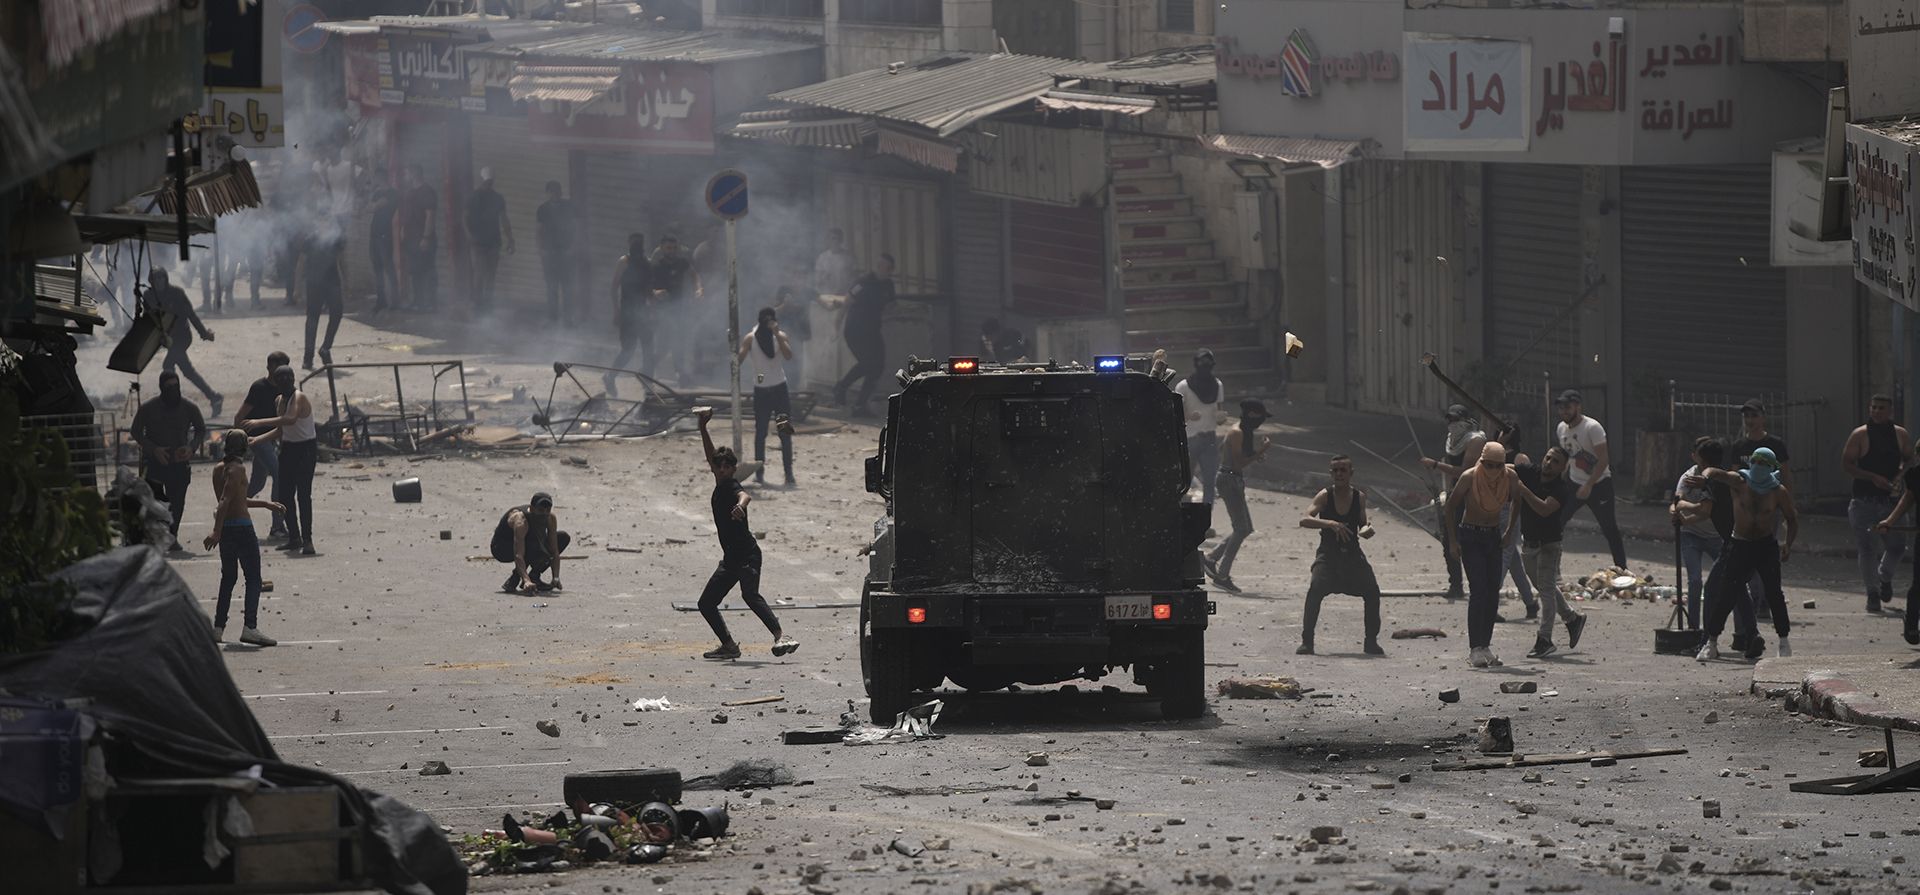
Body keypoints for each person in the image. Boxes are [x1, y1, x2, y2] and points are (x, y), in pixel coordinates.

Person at [694, 407, 799, 660]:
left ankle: (781, 636)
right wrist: (703, 427)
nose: (721, 469)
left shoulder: (732, 486)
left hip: (748, 555)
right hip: (731, 559)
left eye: (726, 466)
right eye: (718, 466)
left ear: (733, 469)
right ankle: (729, 645)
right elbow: (710, 454)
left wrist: (741, 507)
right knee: (706, 603)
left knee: (750, 594)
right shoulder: (719, 481)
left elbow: (745, 495)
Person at [1691, 447, 1798, 660]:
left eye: (1763, 463)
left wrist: (1788, 544)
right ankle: (1711, 642)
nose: (1758, 466)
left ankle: (1784, 642)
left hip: (1765, 546)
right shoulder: (1739, 482)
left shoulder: (1778, 492)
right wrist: (1705, 477)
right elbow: (1715, 472)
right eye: (1755, 461)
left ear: (1772, 468)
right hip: (1739, 544)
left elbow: (1792, 518)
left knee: (1774, 594)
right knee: (1726, 593)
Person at [1443, 442, 1540, 668]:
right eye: (1489, 465)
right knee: (1478, 591)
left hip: (1493, 535)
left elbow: (1517, 501)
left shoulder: (1509, 477)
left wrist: (1509, 532)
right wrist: (1453, 542)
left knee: (1492, 592)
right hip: (1471, 535)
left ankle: (1485, 645)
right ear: (1482, 461)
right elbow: (1450, 507)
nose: (1493, 470)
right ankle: (1474, 648)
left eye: (1498, 466)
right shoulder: (1469, 477)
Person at [1297, 455, 1384, 656]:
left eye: (1343, 470)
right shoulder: (1325, 496)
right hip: (1328, 555)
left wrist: (1367, 529)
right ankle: (1307, 641)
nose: (1339, 474)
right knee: (1315, 589)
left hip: (1352, 555)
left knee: (1372, 591)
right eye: (1335, 470)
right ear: (1330, 473)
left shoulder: (1359, 497)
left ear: (1351, 473)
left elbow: (1362, 523)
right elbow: (1305, 519)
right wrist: (1330, 523)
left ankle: (1371, 642)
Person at [204, 430, 283, 646]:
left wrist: (266, 504)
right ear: (244, 448)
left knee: (228, 578)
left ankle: (218, 628)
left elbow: (236, 499)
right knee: (253, 578)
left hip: (228, 530)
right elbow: (225, 500)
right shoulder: (237, 469)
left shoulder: (218, 469)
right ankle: (250, 626)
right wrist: (215, 531)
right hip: (242, 529)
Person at [1515, 446, 1588, 657]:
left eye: (1556, 462)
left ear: (1563, 468)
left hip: (1549, 545)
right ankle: (1572, 619)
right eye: (1548, 458)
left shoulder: (1561, 489)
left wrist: (1523, 489)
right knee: (1542, 585)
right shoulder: (1531, 472)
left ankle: (1544, 639)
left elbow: (1544, 509)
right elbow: (1508, 469)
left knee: (1546, 591)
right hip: (1529, 543)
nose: (1549, 463)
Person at [1842, 394, 1910, 614]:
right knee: (1867, 548)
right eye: (1873, 407)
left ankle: (1884, 577)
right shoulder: (1860, 434)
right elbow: (1847, 464)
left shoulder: (1899, 434)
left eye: (1881, 408)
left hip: (1891, 502)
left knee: (1897, 546)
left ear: (1890, 411)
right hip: (1864, 501)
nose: (1876, 412)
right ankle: (1872, 593)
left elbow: (1910, 459)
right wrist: (1871, 477)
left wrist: (1900, 476)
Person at [1730, 400, 1794, 623]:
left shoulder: (1774, 445)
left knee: (1766, 554)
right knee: (1748, 554)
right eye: (1746, 416)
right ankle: (1757, 598)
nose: (1750, 421)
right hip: (1746, 512)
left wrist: (1787, 505)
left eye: (1754, 416)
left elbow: (1785, 475)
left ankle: (1766, 599)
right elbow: (1734, 480)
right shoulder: (1739, 446)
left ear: (1763, 418)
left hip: (1769, 509)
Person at [243, 365, 317, 556]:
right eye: (281, 379)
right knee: (285, 496)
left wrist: (259, 422)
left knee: (303, 496)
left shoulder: (299, 397)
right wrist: (257, 439)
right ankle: (294, 537)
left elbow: (290, 419)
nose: (285, 381)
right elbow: (282, 430)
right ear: (275, 382)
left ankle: (307, 540)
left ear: (293, 379)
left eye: (288, 378)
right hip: (289, 449)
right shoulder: (279, 400)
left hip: (305, 449)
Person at [131, 371, 207, 551]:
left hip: (179, 462)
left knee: (177, 503)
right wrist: (153, 449)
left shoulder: (189, 407)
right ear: (162, 388)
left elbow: (200, 429)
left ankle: (172, 536)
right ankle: (154, 537)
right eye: (169, 387)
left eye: (176, 386)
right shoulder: (148, 408)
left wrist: (191, 448)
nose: (173, 390)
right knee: (154, 502)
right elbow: (136, 431)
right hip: (155, 462)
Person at [1555, 389, 1629, 570]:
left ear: (1578, 407)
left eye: (1568, 407)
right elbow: (1566, 456)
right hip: (1574, 483)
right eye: (1561, 408)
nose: (1564, 411)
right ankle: (1552, 566)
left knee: (1609, 528)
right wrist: (1560, 479)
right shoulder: (1561, 428)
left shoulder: (1592, 427)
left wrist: (1589, 484)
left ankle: (1622, 569)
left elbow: (1603, 459)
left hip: (1599, 484)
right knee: (1557, 522)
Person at [1202, 399, 1271, 593]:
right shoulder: (1237, 432)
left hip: (1233, 479)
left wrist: (1257, 455)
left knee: (1245, 528)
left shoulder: (1243, 432)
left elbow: (1235, 456)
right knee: (1241, 529)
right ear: (1252, 415)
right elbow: (1239, 463)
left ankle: (1211, 559)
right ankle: (1222, 575)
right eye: (1260, 417)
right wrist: (1262, 451)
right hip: (1229, 480)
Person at [1421, 404, 1487, 601]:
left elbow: (1465, 471)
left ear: (1465, 420)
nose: (1452, 424)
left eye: (1455, 420)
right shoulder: (1451, 440)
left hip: (1471, 495)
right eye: (1449, 420)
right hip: (1454, 494)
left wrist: (1436, 465)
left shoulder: (1475, 440)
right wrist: (1446, 493)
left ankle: (1480, 586)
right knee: (1449, 539)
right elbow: (1451, 471)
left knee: (1470, 542)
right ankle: (1455, 584)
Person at [145, 269, 223, 417]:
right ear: (151, 281)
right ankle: (213, 397)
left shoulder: (176, 293)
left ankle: (173, 399)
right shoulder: (148, 296)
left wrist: (203, 333)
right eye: (155, 279)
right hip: (167, 338)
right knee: (186, 371)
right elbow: (149, 319)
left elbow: (191, 314)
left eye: (161, 278)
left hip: (182, 336)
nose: (159, 282)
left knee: (168, 366)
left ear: (166, 279)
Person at [832, 254, 897, 418]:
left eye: (887, 268)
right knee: (868, 363)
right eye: (880, 265)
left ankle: (860, 404)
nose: (882, 269)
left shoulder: (888, 285)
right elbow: (847, 302)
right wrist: (837, 324)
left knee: (878, 367)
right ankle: (841, 387)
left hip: (873, 330)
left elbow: (891, 304)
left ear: (890, 270)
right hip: (856, 330)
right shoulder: (863, 282)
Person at [235, 350, 291, 539]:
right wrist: (237, 446)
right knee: (279, 474)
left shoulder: (286, 390)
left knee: (257, 484)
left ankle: (230, 506)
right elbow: (239, 417)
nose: (282, 374)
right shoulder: (259, 387)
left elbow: (284, 420)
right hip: (256, 439)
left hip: (271, 439)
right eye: (278, 368)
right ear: (269, 367)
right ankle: (277, 527)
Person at [1870, 442, 1920, 645]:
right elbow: (1908, 498)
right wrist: (1889, 521)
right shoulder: (1916, 475)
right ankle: (1912, 624)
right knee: (1918, 584)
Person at [740, 307, 796, 487]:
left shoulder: (780, 336)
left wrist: (777, 334)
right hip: (762, 389)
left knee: (784, 432)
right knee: (761, 433)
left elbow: (788, 355)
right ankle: (759, 473)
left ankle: (789, 474)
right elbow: (738, 360)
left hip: (779, 389)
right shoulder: (750, 338)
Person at [1673, 436, 1724, 630]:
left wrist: (1685, 511)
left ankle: (1743, 632)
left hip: (1717, 536)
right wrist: (1675, 510)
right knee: (1695, 581)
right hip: (1691, 535)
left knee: (1731, 582)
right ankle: (1694, 628)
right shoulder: (1689, 476)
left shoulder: (1720, 479)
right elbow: (1676, 501)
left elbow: (1705, 511)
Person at [604, 233, 655, 397]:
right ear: (629, 243)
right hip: (627, 312)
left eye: (639, 242)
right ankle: (610, 377)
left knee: (648, 349)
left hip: (643, 312)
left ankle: (647, 385)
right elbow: (614, 288)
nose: (637, 245)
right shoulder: (624, 262)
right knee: (628, 350)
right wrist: (616, 311)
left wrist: (653, 304)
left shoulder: (647, 263)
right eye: (634, 242)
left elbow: (648, 291)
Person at [491, 492, 568, 594]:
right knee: (533, 544)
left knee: (562, 538)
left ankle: (534, 576)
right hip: (501, 548)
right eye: (540, 510)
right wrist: (526, 580)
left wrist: (556, 578)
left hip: (529, 542)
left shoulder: (550, 518)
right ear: (532, 509)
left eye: (547, 510)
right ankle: (514, 580)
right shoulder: (521, 522)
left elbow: (554, 550)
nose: (544, 514)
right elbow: (518, 554)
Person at [1173, 348, 1223, 505]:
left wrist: (1221, 418)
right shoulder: (1183, 387)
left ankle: (1206, 515)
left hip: (1209, 438)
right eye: (1202, 362)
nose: (1205, 365)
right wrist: (1189, 416)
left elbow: (1219, 410)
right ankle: (1181, 513)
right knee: (1184, 481)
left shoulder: (1217, 385)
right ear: (1196, 364)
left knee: (1210, 481)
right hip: (1189, 439)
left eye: (1208, 362)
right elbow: (1175, 416)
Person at [649, 233, 697, 385]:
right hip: (662, 311)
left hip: (679, 309)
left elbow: (694, 275)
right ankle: (647, 369)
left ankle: (681, 374)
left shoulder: (682, 263)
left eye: (674, 248)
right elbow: (645, 287)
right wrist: (655, 292)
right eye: (669, 248)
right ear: (662, 248)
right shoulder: (656, 266)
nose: (672, 251)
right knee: (663, 347)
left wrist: (699, 288)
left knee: (679, 342)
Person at [465, 168, 513, 315]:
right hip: (479, 242)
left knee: (488, 275)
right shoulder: (475, 197)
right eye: (488, 181)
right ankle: (478, 304)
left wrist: (510, 239)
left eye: (490, 181)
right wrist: (470, 236)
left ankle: (485, 305)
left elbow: (504, 219)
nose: (489, 183)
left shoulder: (496, 198)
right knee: (481, 274)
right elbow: (465, 217)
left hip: (491, 242)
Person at [296, 228, 345, 371]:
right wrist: (297, 287)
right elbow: (301, 263)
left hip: (332, 282)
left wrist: (346, 282)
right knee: (312, 319)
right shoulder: (310, 239)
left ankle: (325, 348)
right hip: (314, 283)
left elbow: (341, 261)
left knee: (337, 314)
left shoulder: (335, 238)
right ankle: (308, 358)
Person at [536, 180, 578, 323]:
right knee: (551, 287)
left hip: (566, 253)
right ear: (547, 193)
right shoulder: (542, 209)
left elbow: (576, 228)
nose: (554, 194)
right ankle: (552, 318)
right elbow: (538, 231)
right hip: (549, 254)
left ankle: (568, 318)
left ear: (561, 192)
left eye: (557, 191)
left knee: (567, 287)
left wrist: (573, 247)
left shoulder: (569, 206)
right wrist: (541, 250)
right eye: (551, 191)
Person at [398, 164, 438, 310]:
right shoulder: (409, 193)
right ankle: (418, 302)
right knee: (415, 271)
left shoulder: (427, 192)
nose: (405, 177)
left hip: (423, 238)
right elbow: (406, 215)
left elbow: (430, 216)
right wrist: (402, 231)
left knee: (427, 269)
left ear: (414, 174)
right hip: (411, 238)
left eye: (407, 173)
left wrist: (426, 237)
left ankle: (430, 303)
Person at [771, 284, 810, 387]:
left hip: (794, 349)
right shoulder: (778, 310)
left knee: (794, 376)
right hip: (779, 349)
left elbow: (806, 334)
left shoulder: (800, 309)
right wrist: (784, 306)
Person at [368, 185, 400, 314]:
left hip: (385, 236)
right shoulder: (377, 193)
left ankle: (395, 301)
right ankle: (381, 300)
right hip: (374, 236)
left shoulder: (392, 192)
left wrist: (374, 204)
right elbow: (368, 208)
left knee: (388, 268)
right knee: (378, 269)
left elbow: (374, 206)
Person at [813, 228, 855, 298]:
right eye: (833, 238)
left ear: (841, 240)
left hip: (843, 294)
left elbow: (853, 277)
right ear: (828, 240)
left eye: (838, 238)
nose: (835, 241)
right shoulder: (822, 257)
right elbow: (817, 279)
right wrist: (824, 277)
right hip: (827, 294)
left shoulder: (848, 257)